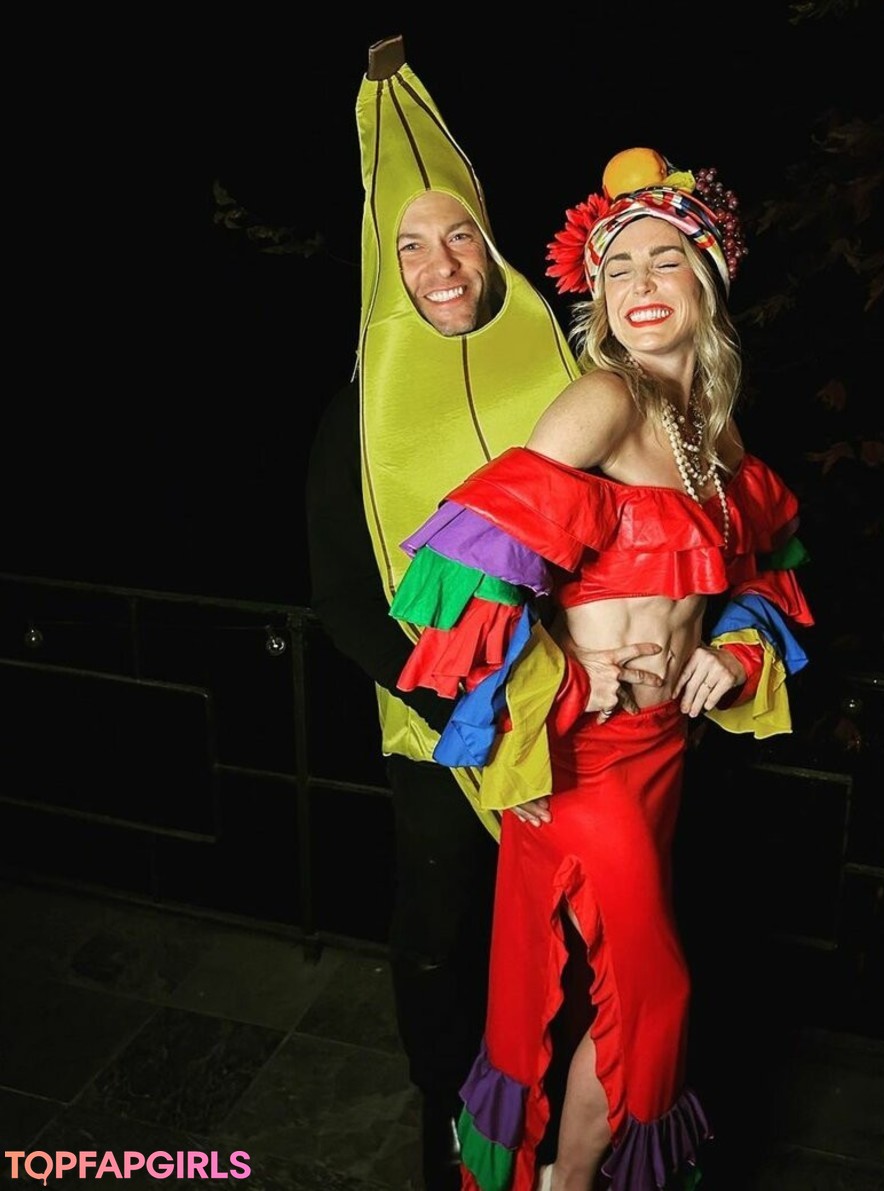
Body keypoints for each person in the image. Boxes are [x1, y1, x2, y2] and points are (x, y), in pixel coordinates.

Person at [389, 147, 814, 1188]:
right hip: (581, 761)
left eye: (664, 261)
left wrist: (732, 650)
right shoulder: (604, 402)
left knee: (611, 988)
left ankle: (554, 1177)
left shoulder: (715, 429)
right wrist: (557, 695)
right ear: (599, 301)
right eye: (618, 268)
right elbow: (473, 570)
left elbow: (767, 573)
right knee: (656, 994)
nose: (638, 284)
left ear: (705, 283)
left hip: (663, 753)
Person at [305, 38, 651, 1190]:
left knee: (571, 946)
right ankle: (448, 1124)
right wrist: (454, 701)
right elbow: (341, 596)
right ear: (382, 264)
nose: (439, 265)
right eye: (409, 244)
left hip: (579, 723)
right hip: (433, 731)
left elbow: (637, 528)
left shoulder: (570, 373)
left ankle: (559, 1143)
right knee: (441, 938)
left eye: (456, 234)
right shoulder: (357, 412)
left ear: (489, 239)